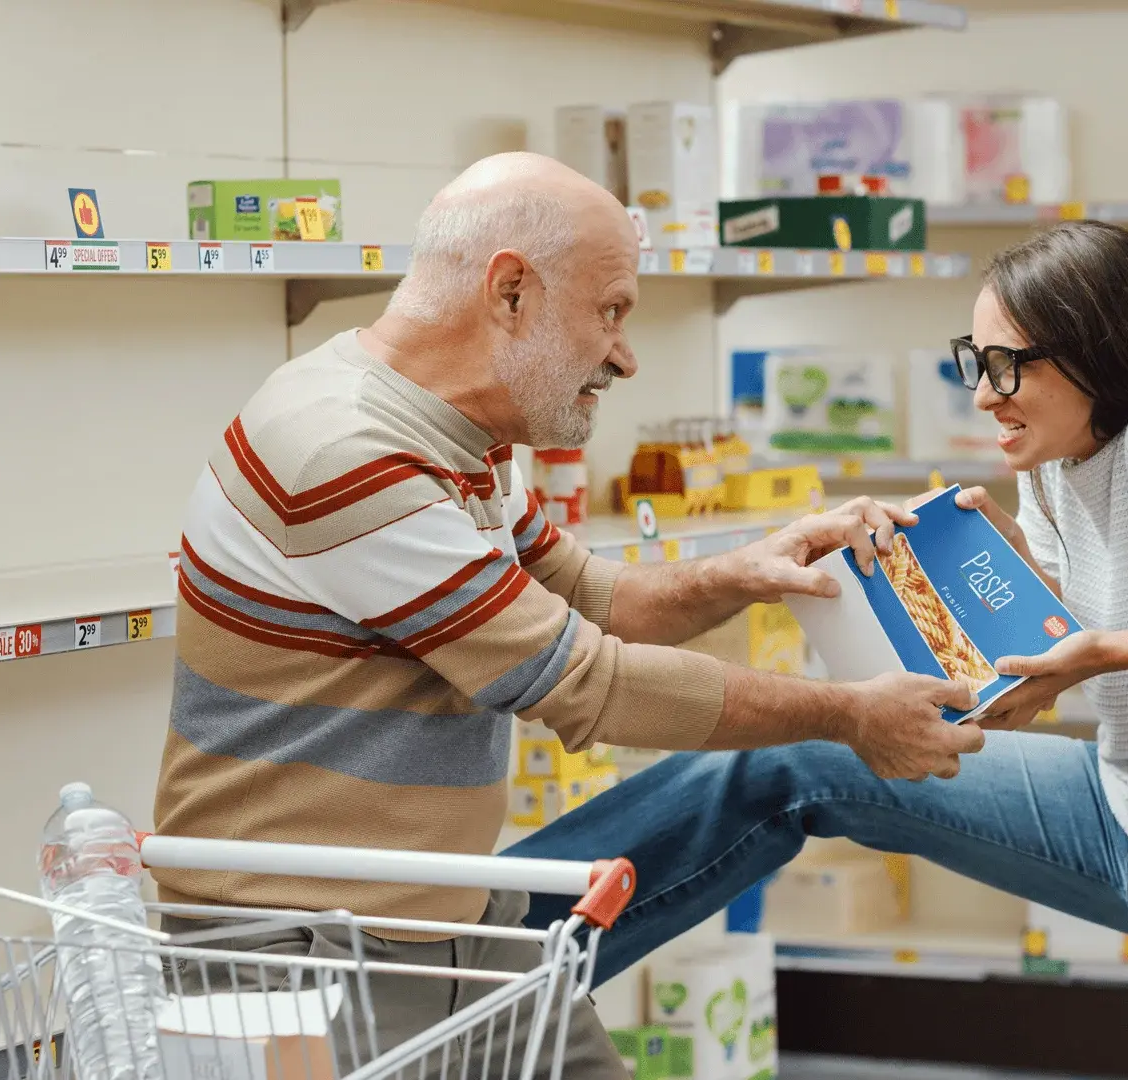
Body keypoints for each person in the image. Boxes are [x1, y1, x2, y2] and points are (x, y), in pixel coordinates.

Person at [151, 151, 983, 1077]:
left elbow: (597, 600)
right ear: (511, 293)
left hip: (445, 922)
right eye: (611, 311)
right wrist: (848, 714)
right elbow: (585, 685)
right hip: (304, 954)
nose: (625, 354)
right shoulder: (346, 453)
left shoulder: (456, 437)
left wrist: (754, 570)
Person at [512, 221, 1128, 1080]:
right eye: (974, 361)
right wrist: (962, 558)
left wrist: (1102, 656)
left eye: (1005, 366)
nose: (983, 394)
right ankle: (505, 947)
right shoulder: (1056, 453)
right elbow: (1068, 611)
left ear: (1098, 350)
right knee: (796, 763)